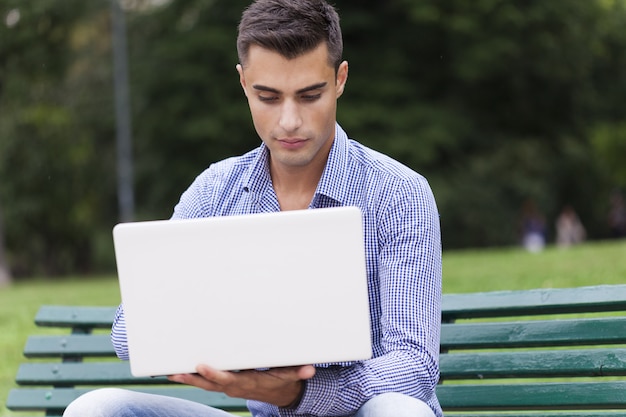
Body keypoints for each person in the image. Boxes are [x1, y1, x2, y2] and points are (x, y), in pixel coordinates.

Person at [63, 0, 442, 416]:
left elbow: (413, 365)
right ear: (244, 83)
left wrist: (294, 394)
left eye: (309, 95)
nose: (289, 121)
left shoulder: (398, 193)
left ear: (340, 79)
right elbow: (127, 333)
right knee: (97, 408)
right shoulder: (216, 191)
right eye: (268, 97)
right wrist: (208, 326)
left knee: (399, 411)